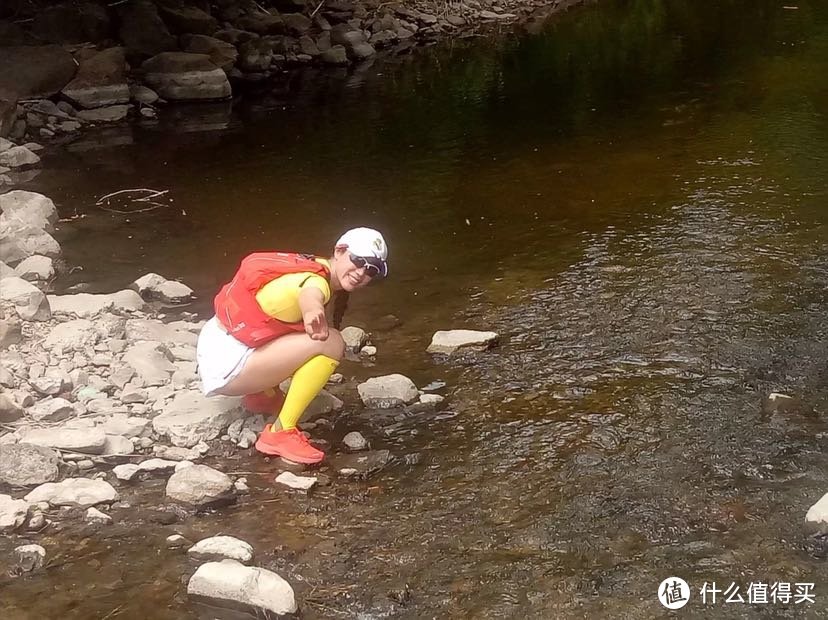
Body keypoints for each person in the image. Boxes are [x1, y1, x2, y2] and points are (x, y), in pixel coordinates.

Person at [196, 227, 389, 464]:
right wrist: (313, 310)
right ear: (339, 251)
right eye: (358, 261)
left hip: (220, 342)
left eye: (371, 270)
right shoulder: (316, 281)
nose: (361, 272)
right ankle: (280, 433)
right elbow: (310, 294)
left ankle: (262, 394)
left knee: (301, 333)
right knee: (331, 342)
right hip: (227, 367)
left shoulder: (313, 264)